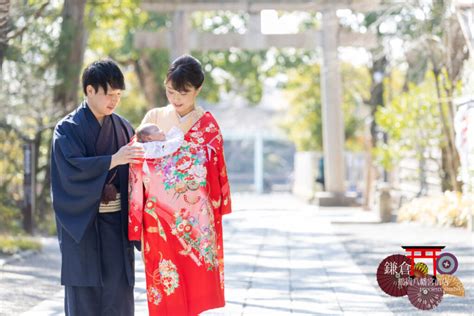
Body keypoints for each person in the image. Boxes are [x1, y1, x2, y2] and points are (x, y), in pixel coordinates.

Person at [128, 55, 232, 316]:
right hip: (158, 217)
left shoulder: (207, 126)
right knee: (163, 283)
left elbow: (212, 172)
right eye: (170, 91)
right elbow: (137, 158)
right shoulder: (154, 116)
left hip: (192, 221)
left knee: (193, 282)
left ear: (198, 89)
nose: (175, 98)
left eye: (183, 92)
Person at [51, 59, 144, 316]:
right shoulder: (68, 129)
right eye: (108, 93)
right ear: (90, 90)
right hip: (83, 228)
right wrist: (114, 159)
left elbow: (139, 178)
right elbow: (70, 171)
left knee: (119, 298)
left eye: (118, 94)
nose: (113, 100)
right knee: (84, 301)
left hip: (117, 227)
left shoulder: (124, 128)